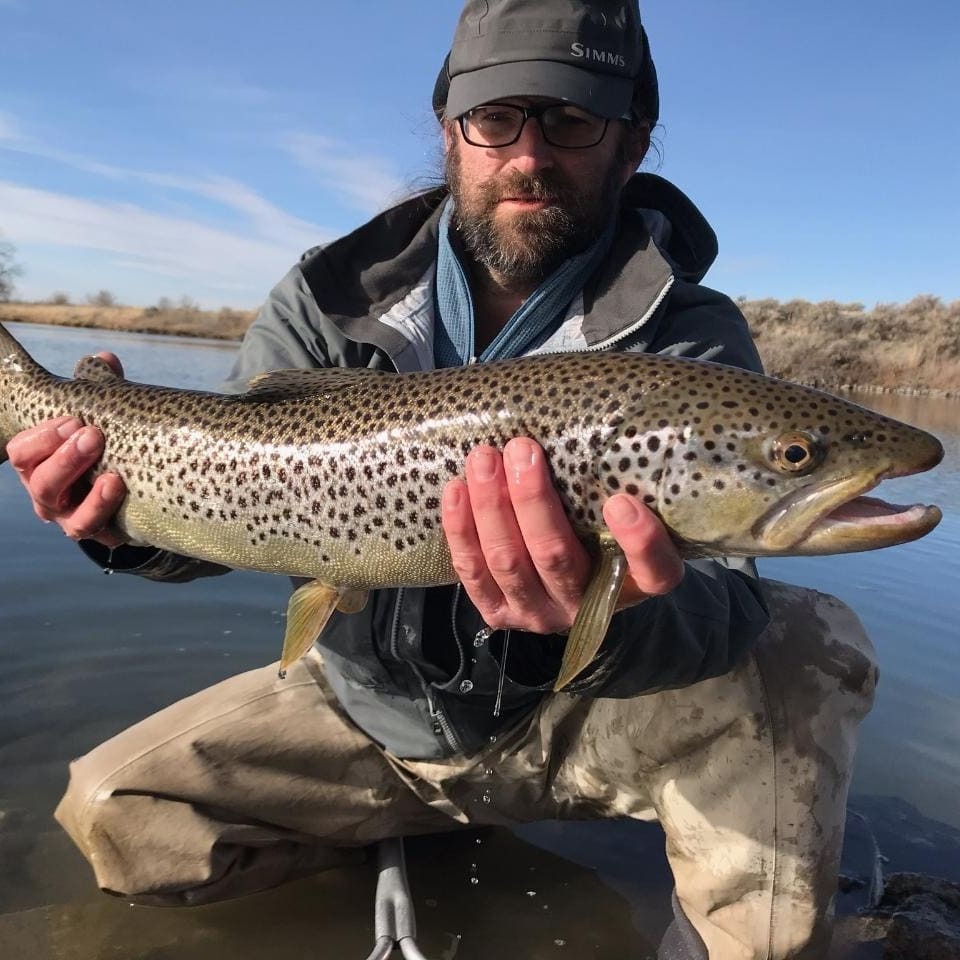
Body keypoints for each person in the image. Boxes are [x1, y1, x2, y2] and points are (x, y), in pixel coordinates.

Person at [6, 2, 877, 957]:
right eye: (497, 118)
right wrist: (114, 524)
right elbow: (227, 523)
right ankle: (400, 844)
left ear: (630, 146)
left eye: (572, 120)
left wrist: (613, 613)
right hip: (368, 706)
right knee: (115, 811)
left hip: (585, 721)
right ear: (450, 132)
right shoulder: (327, 296)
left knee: (809, 641)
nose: (529, 153)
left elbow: (730, 608)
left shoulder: (689, 338)